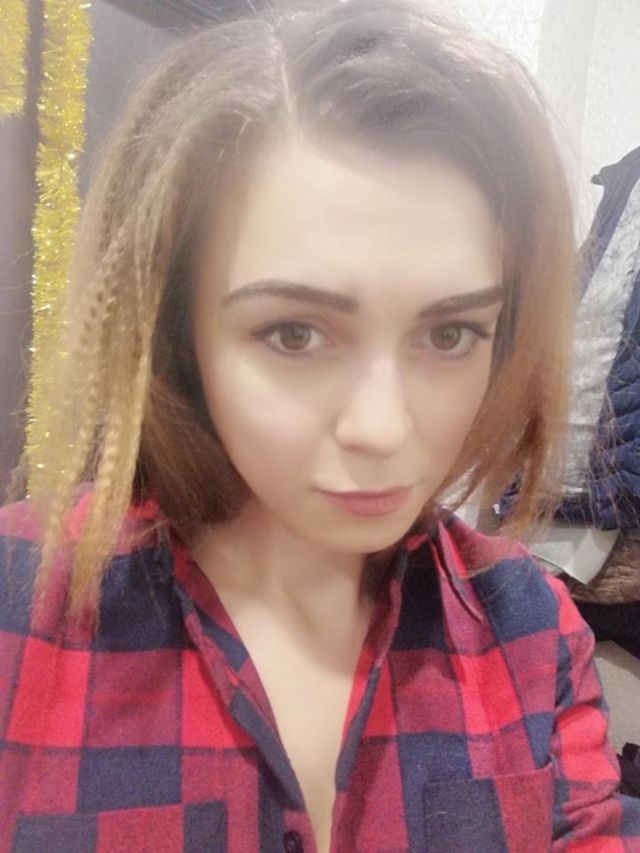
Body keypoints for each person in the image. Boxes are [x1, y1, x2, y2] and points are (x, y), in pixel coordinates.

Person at [1, 0, 639, 850]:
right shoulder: (19, 605)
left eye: (450, 334)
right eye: (294, 334)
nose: (383, 427)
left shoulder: (530, 626)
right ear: (177, 334)